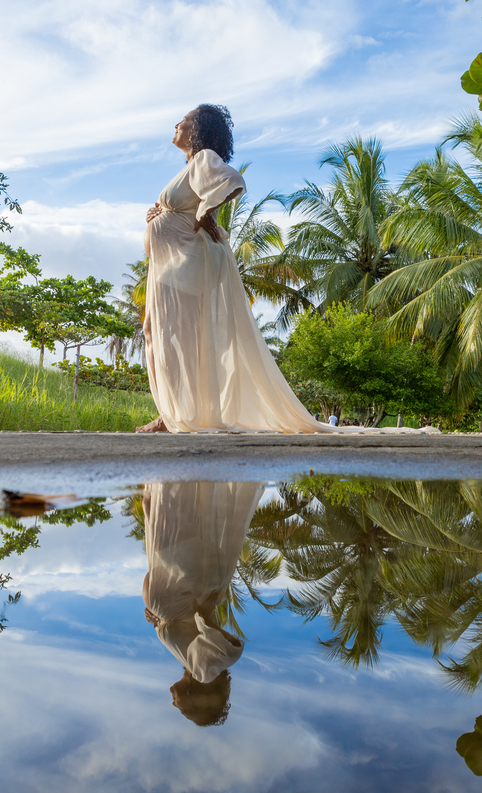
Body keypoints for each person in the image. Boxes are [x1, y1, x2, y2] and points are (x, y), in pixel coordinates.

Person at [135, 104, 436, 435]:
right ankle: (172, 412)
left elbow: (233, 181)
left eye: (185, 119)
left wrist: (206, 213)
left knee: (177, 337)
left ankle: (175, 416)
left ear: (198, 129)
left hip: (188, 263)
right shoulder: (192, 167)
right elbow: (186, 203)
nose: (177, 123)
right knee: (156, 332)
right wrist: (161, 212)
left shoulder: (205, 157)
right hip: (172, 263)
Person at [141, 480, 263, 725]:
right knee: (174, 497)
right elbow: (226, 649)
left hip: (181, 574)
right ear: (197, 700)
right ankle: (182, 451)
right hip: (184, 571)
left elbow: (189, 629)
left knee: (167, 501)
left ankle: (184, 454)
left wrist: (155, 617)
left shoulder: (191, 663)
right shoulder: (206, 673)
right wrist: (202, 613)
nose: (174, 704)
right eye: (182, 710)